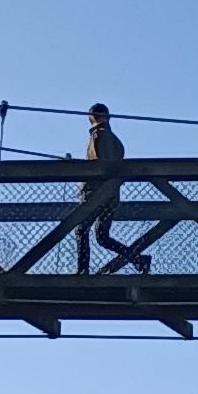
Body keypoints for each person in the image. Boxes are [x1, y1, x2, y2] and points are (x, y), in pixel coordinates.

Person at [80, 104, 130, 271]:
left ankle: (82, 271)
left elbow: (103, 167)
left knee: (81, 228)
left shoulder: (100, 135)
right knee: (102, 236)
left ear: (91, 117)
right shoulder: (112, 138)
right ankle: (138, 258)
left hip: (98, 192)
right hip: (110, 193)